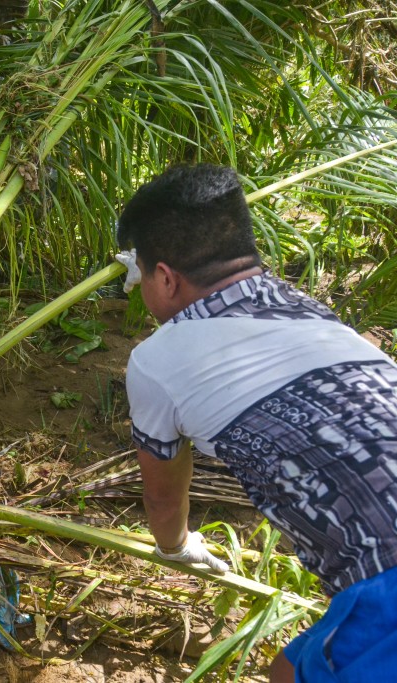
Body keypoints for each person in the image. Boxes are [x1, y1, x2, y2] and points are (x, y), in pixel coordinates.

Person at [116, 164, 397, 682]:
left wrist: (177, 548)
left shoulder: (156, 361)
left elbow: (160, 498)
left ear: (164, 277)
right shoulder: (310, 311)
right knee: (287, 672)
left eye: (138, 274)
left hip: (386, 577)